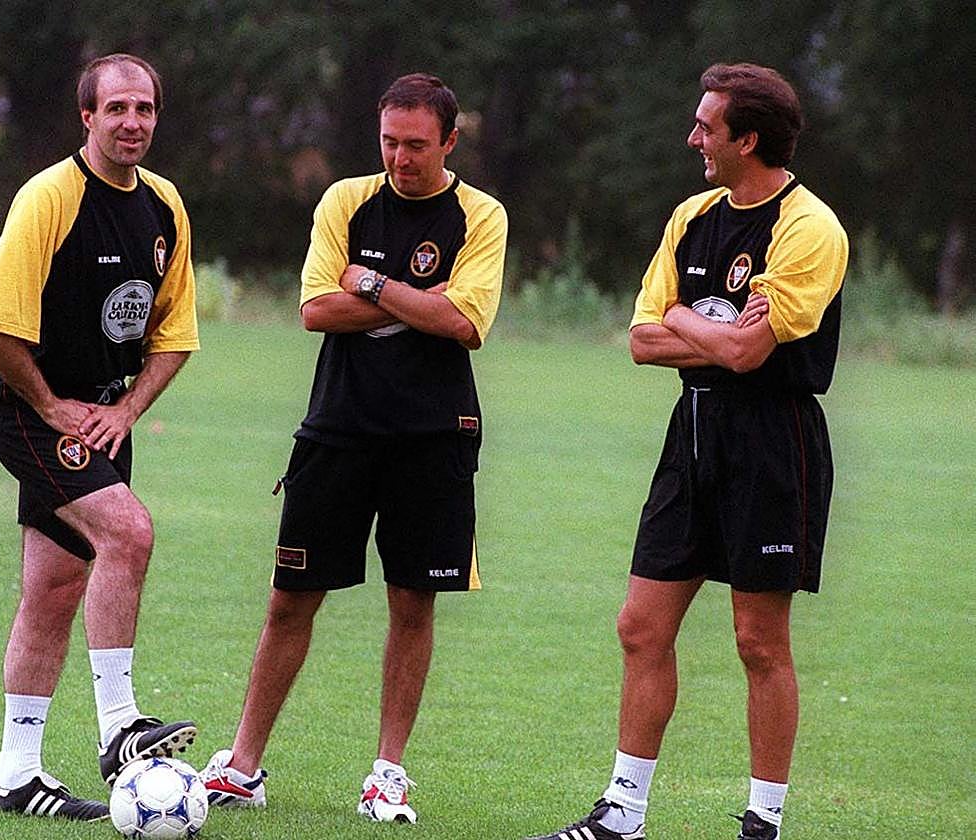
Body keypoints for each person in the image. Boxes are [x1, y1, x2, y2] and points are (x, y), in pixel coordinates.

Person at [526, 63, 848, 840]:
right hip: (692, 435)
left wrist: (686, 318)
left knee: (758, 639)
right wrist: (718, 330)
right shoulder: (692, 217)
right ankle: (622, 817)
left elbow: (748, 358)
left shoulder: (810, 227)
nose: (693, 138)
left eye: (707, 127)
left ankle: (763, 823)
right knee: (641, 625)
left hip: (775, 443)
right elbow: (642, 340)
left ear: (749, 138)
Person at [198, 72, 507, 824]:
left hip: (434, 437)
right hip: (337, 428)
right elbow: (314, 308)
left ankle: (387, 774)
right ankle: (242, 766)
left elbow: (465, 323)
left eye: (418, 146)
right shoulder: (345, 200)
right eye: (390, 143)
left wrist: (369, 281)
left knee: (412, 602)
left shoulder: (481, 216)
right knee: (289, 600)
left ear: (450, 141)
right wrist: (414, 303)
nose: (402, 159)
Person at [0, 53, 201, 822]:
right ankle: (119, 726)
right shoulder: (51, 197)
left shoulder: (165, 207)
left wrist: (126, 410)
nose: (133, 122)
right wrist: (52, 405)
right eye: (118, 109)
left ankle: (17, 775)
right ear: (88, 118)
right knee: (129, 532)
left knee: (55, 589)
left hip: (102, 417)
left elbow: (174, 333)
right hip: (29, 410)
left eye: (146, 109)